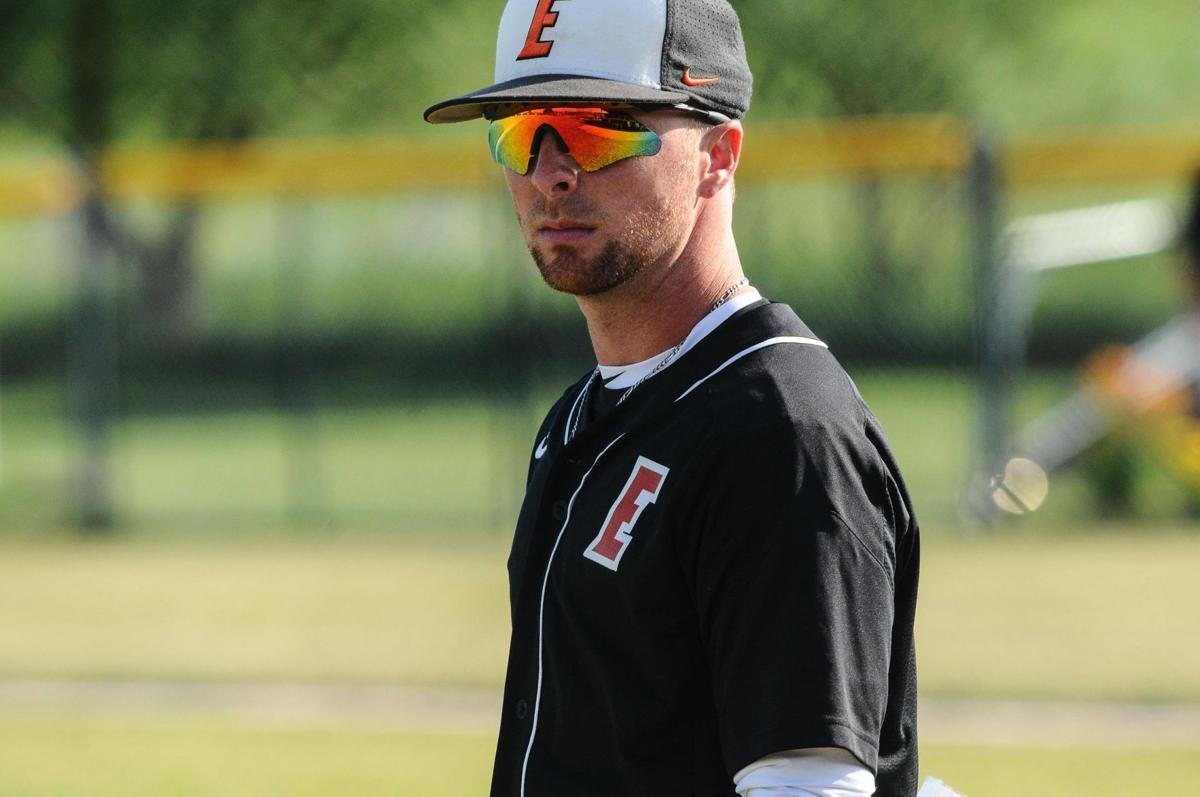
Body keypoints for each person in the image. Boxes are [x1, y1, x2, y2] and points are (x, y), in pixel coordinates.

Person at [425, 2, 920, 795]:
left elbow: (808, 786)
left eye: (599, 127)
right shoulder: (582, 416)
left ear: (718, 155)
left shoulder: (781, 431)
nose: (552, 170)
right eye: (522, 131)